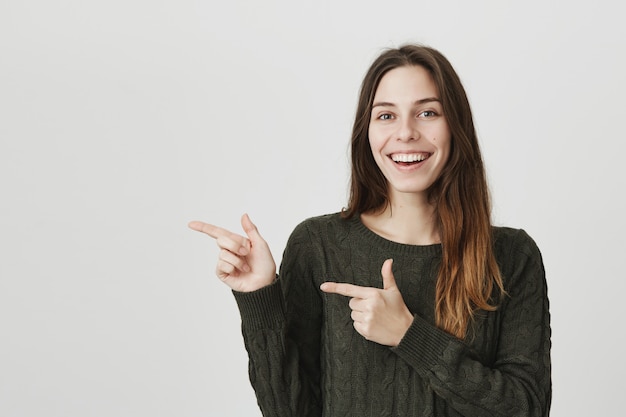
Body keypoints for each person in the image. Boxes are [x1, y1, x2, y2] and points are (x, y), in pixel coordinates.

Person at [189, 44, 551, 417]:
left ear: (455, 126)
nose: (406, 132)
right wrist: (259, 296)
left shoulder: (511, 256)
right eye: (386, 116)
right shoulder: (318, 246)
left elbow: (527, 408)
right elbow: (289, 410)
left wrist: (410, 337)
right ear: (367, 132)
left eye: (427, 112)